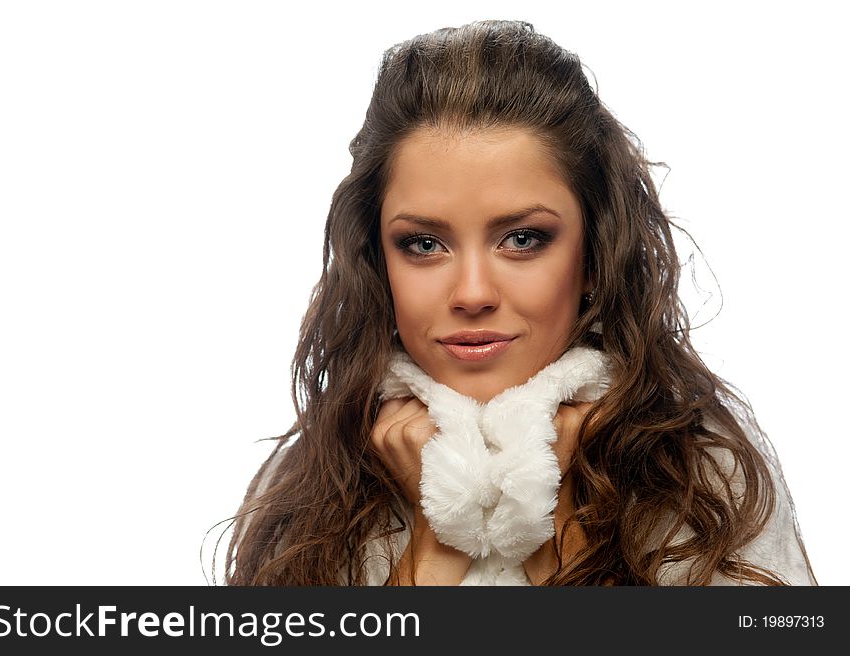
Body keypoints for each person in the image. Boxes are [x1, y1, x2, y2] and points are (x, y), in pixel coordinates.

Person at [221, 20, 816, 586]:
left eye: (523, 239)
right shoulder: (306, 489)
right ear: (378, 262)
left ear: (593, 254)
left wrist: (558, 529)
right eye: (424, 244)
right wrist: (431, 548)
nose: (473, 293)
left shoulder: (705, 475)